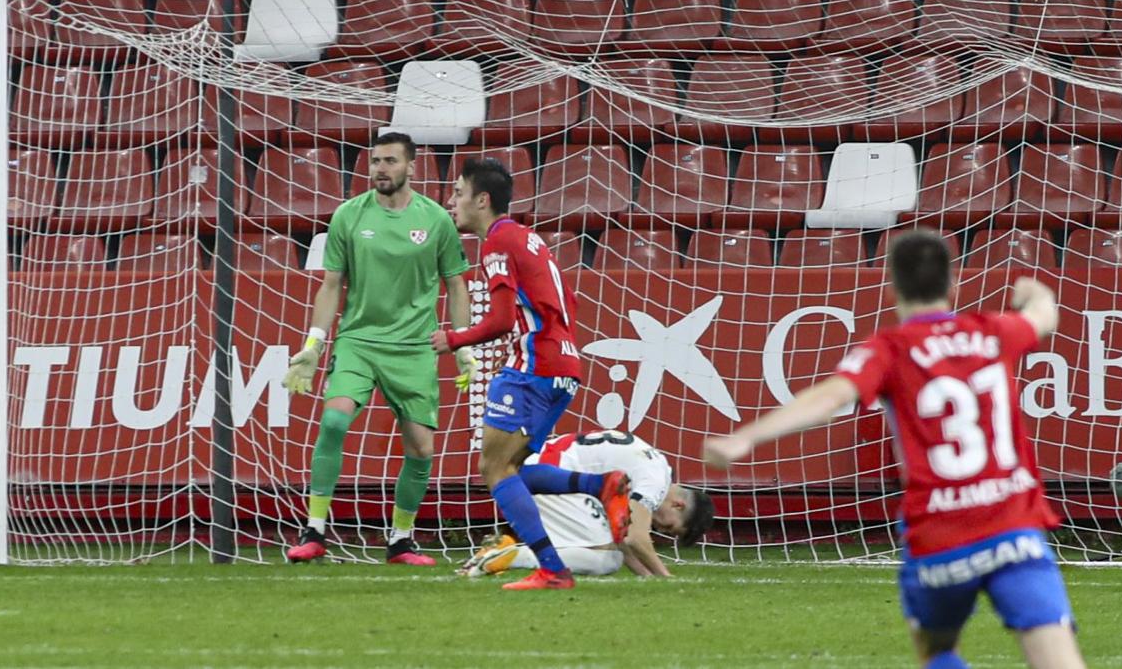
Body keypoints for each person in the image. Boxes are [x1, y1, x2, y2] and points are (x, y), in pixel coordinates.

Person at [704, 230, 1085, 669]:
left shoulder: (890, 349)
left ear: (892, 284)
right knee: (1057, 659)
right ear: (952, 282)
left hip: (940, 538)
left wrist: (747, 437)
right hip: (1012, 528)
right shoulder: (993, 331)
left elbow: (830, 398)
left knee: (937, 649)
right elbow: (1043, 314)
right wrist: (1034, 291)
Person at [432, 158, 631, 590]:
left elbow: (502, 319)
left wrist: (455, 338)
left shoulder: (497, 242)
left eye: (459, 193)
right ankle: (600, 484)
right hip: (565, 366)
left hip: (533, 366)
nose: (452, 201)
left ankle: (552, 569)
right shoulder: (527, 237)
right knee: (513, 469)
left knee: (494, 469)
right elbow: (569, 300)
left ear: (482, 200)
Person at [284, 132, 476, 566]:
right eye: (375, 161)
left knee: (421, 450)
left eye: (390, 161)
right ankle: (314, 530)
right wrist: (313, 344)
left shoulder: (436, 219)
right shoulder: (349, 215)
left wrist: (463, 343)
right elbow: (331, 285)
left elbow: (456, 284)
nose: (380, 169)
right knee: (334, 420)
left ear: (411, 167)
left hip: (414, 347)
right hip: (359, 341)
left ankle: (400, 541)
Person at [460, 429, 715, 578]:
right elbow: (634, 539)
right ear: (678, 505)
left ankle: (503, 550)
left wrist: (648, 577)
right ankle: (513, 555)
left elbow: (621, 537)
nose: (660, 529)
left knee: (606, 550)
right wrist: (666, 578)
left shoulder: (656, 465)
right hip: (548, 478)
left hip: (534, 471)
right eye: (670, 527)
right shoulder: (655, 481)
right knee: (605, 560)